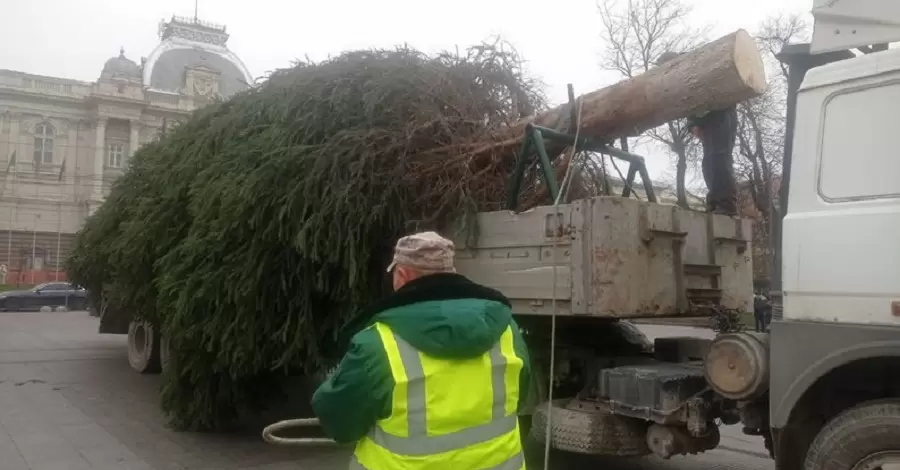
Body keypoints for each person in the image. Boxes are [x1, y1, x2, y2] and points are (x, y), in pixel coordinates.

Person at [312, 231, 532, 470]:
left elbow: (340, 422)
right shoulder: (505, 329)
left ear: (403, 275)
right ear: (451, 272)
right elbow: (519, 396)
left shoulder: (378, 342)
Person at [657, 51, 739, 216]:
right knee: (708, 163)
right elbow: (690, 104)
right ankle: (715, 202)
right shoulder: (681, 79)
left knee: (719, 159)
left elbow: (710, 96)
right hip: (709, 119)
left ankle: (727, 205)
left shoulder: (697, 67)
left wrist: (697, 122)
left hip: (722, 115)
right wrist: (693, 125)